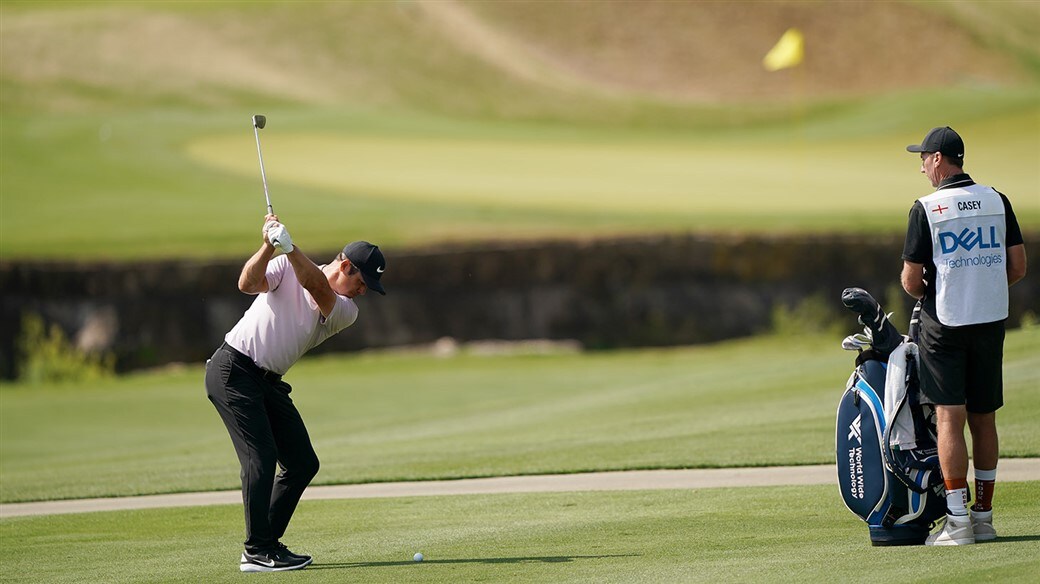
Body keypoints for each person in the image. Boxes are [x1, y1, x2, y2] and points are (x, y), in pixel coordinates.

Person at [205, 214, 386, 571]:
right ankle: (258, 550)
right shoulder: (286, 266)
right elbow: (247, 283)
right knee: (261, 457)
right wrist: (267, 247)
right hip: (233, 369)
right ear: (345, 266)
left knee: (303, 463)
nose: (363, 291)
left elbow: (317, 287)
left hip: (267, 381)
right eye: (362, 282)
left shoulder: (345, 310)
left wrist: (289, 248)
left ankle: (266, 544)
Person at [900, 126, 1027, 546]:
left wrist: (948, 291)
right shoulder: (997, 199)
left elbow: (911, 280)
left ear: (938, 159)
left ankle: (957, 522)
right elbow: (1017, 266)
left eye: (923, 158)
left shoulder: (926, 207)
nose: (922, 167)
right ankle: (984, 518)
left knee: (949, 417)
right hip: (990, 322)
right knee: (984, 417)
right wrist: (981, 289)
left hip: (945, 324)